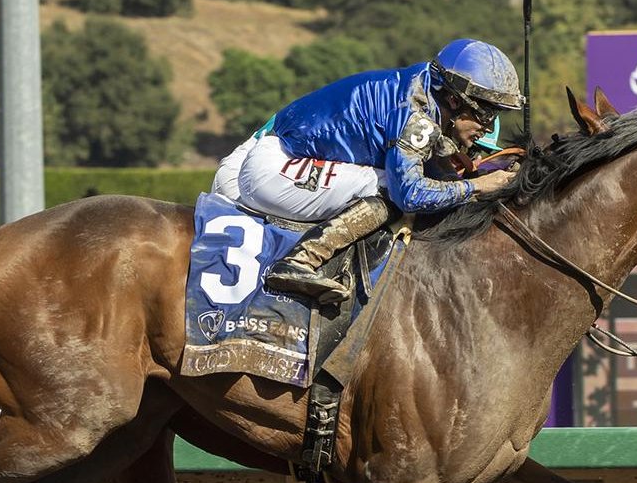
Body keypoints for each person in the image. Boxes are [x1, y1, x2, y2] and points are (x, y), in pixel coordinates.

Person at [211, 38, 524, 304]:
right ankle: (299, 262)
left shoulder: (423, 90)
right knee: (391, 187)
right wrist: (479, 187)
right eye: (485, 113)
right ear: (455, 100)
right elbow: (410, 194)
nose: (487, 127)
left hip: (272, 155)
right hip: (268, 169)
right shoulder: (415, 115)